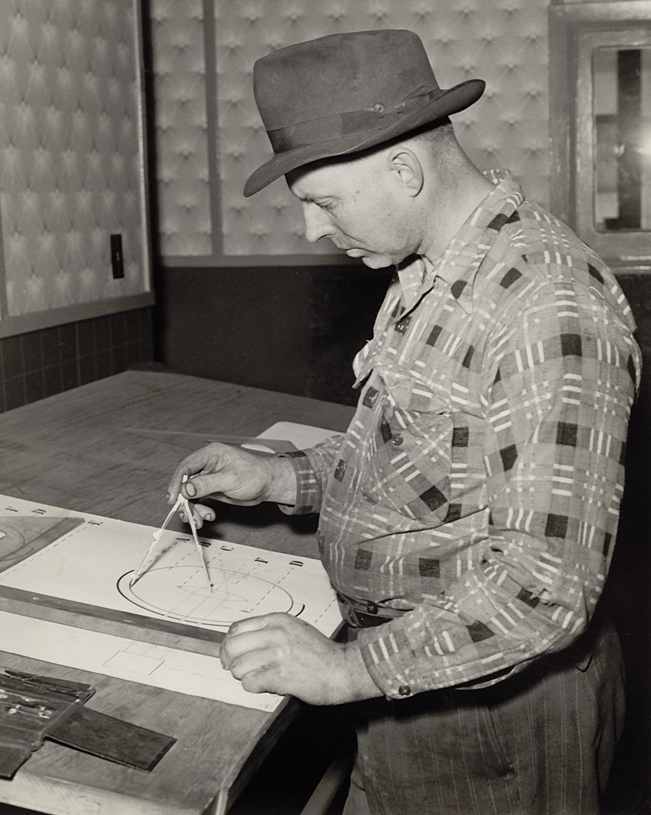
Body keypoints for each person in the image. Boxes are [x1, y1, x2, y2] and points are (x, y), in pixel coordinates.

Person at [167, 30, 642, 815]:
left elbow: (541, 587)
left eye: (322, 203)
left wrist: (348, 671)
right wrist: (282, 474)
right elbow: (411, 461)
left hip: (495, 720)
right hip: (413, 682)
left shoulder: (545, 307)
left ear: (404, 170)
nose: (314, 231)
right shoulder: (425, 271)